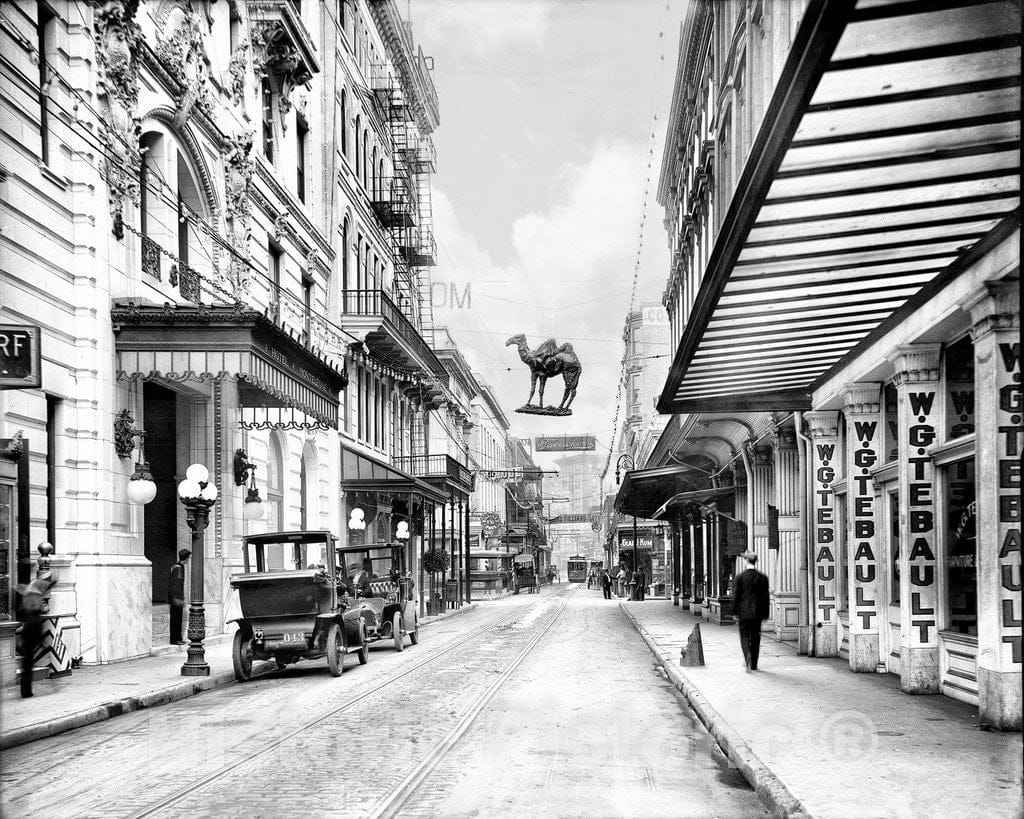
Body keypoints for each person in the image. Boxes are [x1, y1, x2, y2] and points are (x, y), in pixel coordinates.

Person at [16, 571, 56, 698]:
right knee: (28, 662)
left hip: (28, 625)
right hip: (33, 625)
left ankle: (25, 689)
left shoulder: (30, 592)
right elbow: (38, 609)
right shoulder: (35, 594)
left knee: (27, 662)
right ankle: (26, 691)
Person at [733, 550, 770, 672]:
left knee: (744, 636)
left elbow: (736, 596)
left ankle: (747, 654)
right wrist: (765, 613)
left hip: (743, 613)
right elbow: (765, 597)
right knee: (755, 636)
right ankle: (754, 664)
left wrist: (734, 612)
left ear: (746, 561)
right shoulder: (762, 577)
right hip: (757, 613)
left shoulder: (740, 577)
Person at [168, 549, 190, 645]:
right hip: (176, 598)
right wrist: (179, 598)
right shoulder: (178, 568)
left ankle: (178, 638)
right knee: (176, 619)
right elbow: (176, 585)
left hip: (175, 597)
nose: (189, 560)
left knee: (177, 619)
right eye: (188, 558)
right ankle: (175, 640)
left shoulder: (177, 567)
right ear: (185, 558)